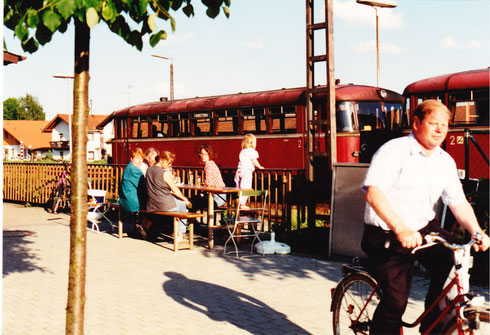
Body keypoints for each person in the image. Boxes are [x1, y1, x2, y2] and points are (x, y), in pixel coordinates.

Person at [360, 99, 490, 334]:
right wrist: (401, 229)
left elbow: (458, 203)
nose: (440, 129)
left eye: (445, 124)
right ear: (417, 123)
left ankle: (433, 328)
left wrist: (477, 231)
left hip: (423, 228)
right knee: (396, 302)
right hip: (387, 233)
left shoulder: (445, 161)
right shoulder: (394, 151)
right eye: (433, 123)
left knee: (453, 261)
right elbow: (374, 194)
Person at [146, 151, 192, 241]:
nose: (169, 164)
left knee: (178, 203)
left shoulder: (149, 170)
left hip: (152, 204)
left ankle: (173, 230)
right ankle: (180, 234)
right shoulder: (165, 174)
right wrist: (185, 199)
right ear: (162, 160)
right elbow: (175, 190)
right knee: (183, 206)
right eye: (169, 162)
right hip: (164, 205)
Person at [118, 148, 147, 238]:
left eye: (141, 159)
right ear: (131, 158)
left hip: (125, 199)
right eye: (137, 158)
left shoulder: (129, 167)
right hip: (132, 202)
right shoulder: (135, 170)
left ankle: (141, 225)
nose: (140, 161)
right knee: (154, 205)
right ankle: (144, 227)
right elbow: (144, 186)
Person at [234, 133, 264, 209]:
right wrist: (259, 166)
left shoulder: (242, 151)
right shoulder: (252, 151)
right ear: (252, 143)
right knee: (246, 187)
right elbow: (254, 160)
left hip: (239, 171)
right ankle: (242, 204)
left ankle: (238, 202)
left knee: (239, 188)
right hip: (246, 171)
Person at [192, 144, 227, 210]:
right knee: (196, 199)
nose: (203, 156)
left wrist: (203, 187)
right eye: (202, 154)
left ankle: (192, 219)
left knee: (194, 200)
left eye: (205, 154)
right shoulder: (212, 163)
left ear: (209, 154)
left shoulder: (208, 165)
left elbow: (209, 183)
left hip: (216, 198)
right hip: (220, 196)